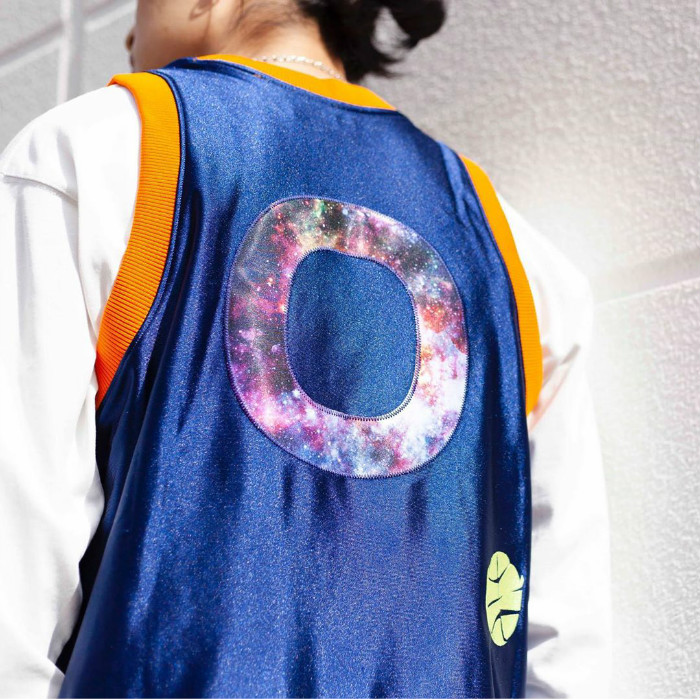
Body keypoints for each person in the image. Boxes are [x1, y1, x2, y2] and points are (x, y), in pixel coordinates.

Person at [0, 0, 612, 696]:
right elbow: (566, 660)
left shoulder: (89, 158)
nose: (130, 31)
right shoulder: (518, 260)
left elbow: (12, 598)